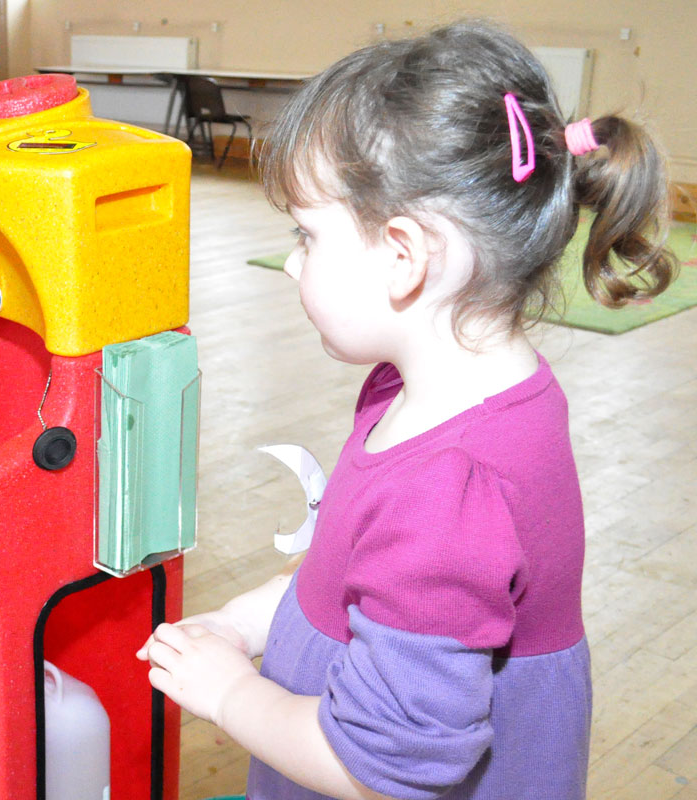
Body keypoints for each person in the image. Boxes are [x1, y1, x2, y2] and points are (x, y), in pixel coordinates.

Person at [138, 21, 675, 800]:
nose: (292, 261)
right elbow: (343, 576)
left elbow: (379, 769)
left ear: (403, 256)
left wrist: (229, 693)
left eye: (307, 235)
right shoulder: (439, 393)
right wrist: (242, 624)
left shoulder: (447, 494)